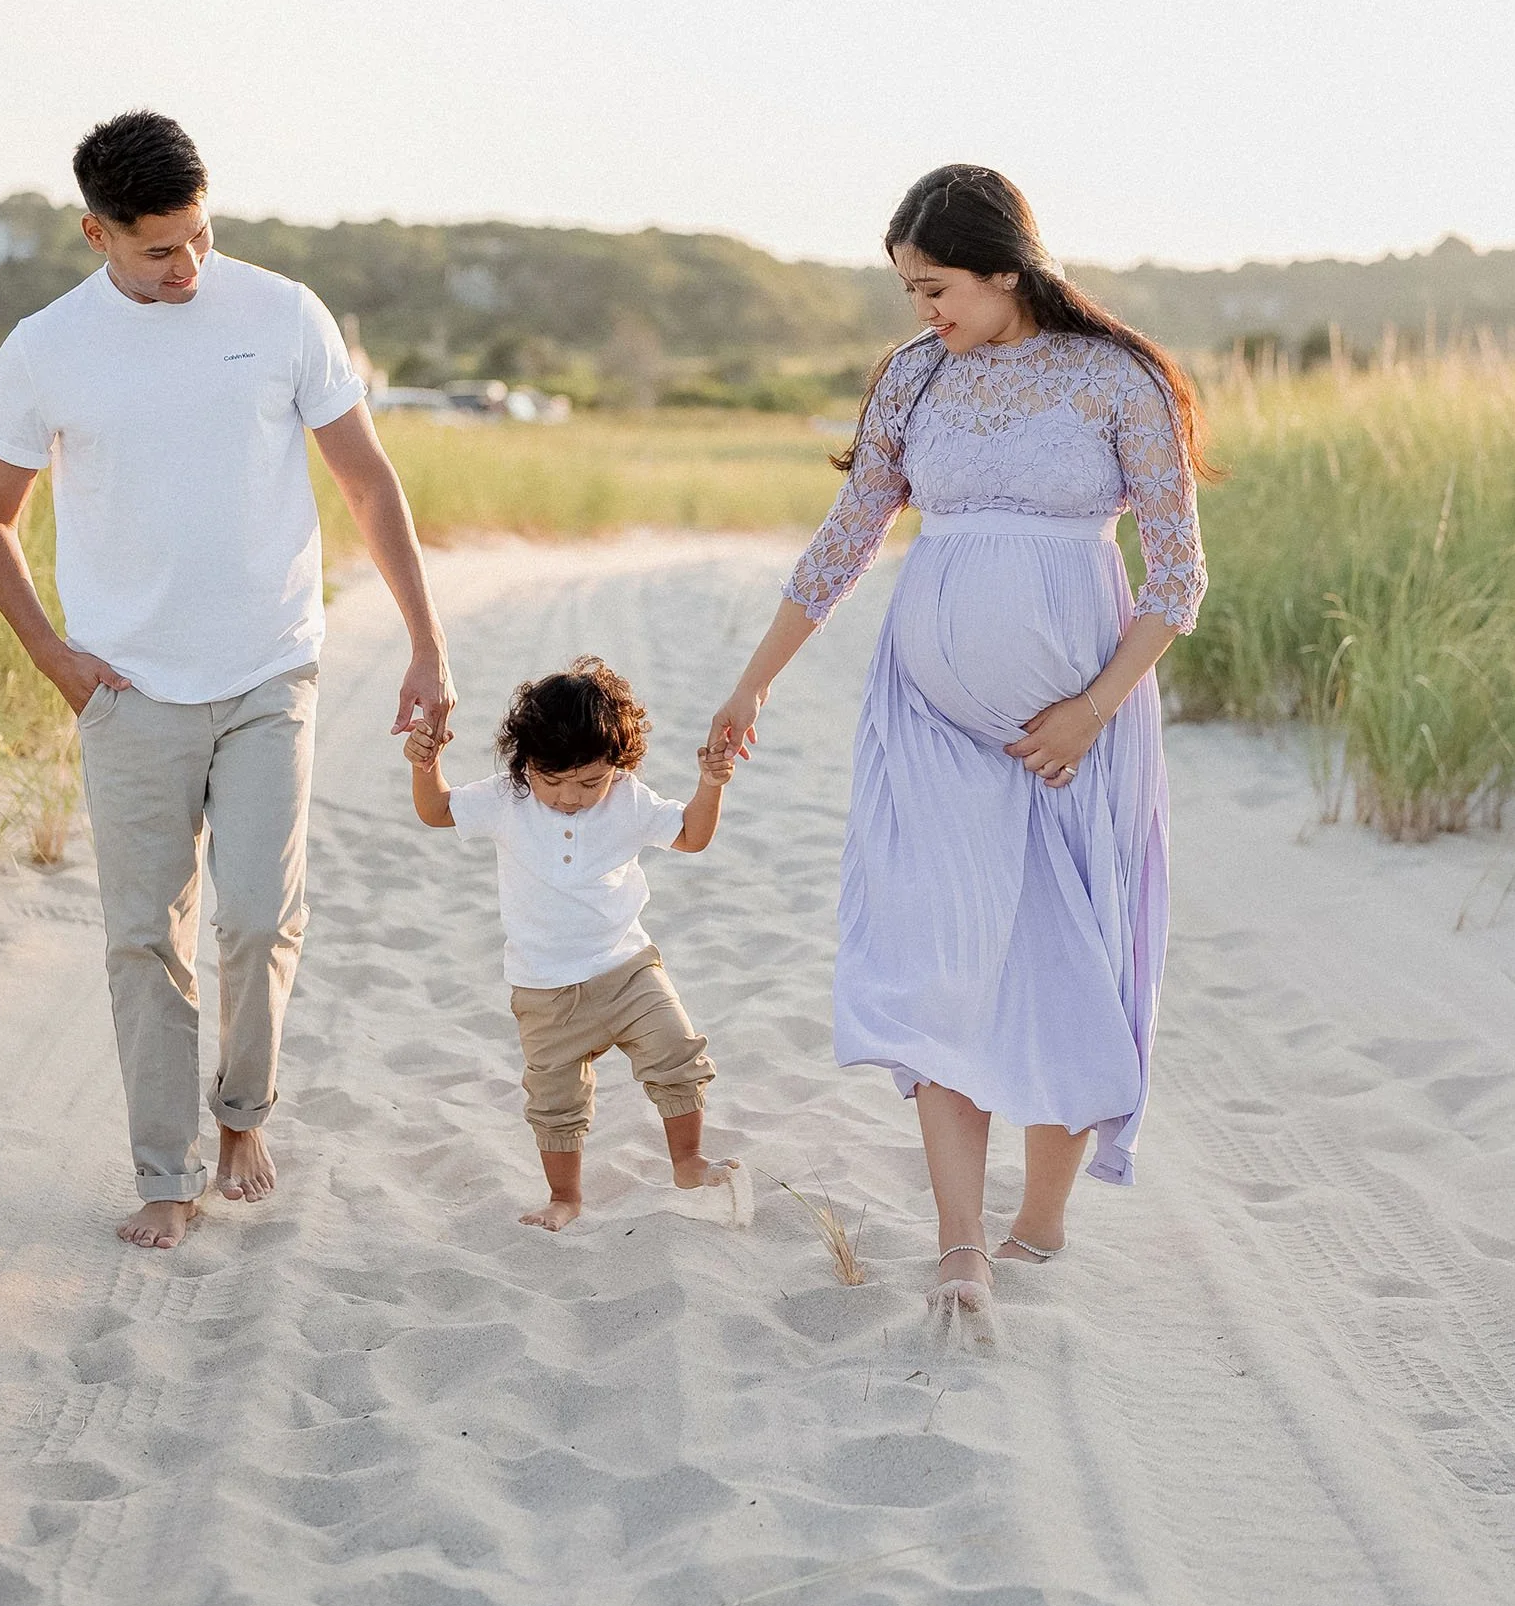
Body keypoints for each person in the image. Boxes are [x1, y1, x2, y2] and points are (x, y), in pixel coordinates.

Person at [707, 165, 1209, 1341]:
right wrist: (749, 683)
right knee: (940, 957)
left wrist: (1090, 708)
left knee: (1066, 958)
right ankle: (959, 1245)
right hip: (929, 724)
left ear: (1003, 267)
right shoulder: (912, 378)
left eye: (933, 286)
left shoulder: (1116, 379)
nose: (920, 309)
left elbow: (1177, 578)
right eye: (906, 289)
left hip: (1075, 736)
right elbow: (845, 540)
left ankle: (1041, 1221)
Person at [0, 110, 454, 1251]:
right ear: (95, 233)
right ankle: (162, 1171)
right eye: (156, 250)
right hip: (127, 691)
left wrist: (426, 645)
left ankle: (241, 1115)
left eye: (198, 235)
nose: (186, 266)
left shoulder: (283, 313)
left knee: (256, 918)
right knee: (143, 934)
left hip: (269, 669)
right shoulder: (45, 347)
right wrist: (57, 659)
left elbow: (370, 485)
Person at [405, 657, 746, 1233]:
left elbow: (691, 836)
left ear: (619, 764)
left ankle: (688, 1162)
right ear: (524, 764)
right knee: (555, 1102)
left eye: (589, 781)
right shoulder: (506, 798)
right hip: (543, 986)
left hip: (626, 966)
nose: (569, 797)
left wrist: (709, 785)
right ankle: (565, 1196)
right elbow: (435, 811)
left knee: (678, 1054)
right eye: (552, 780)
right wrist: (427, 763)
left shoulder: (628, 800)